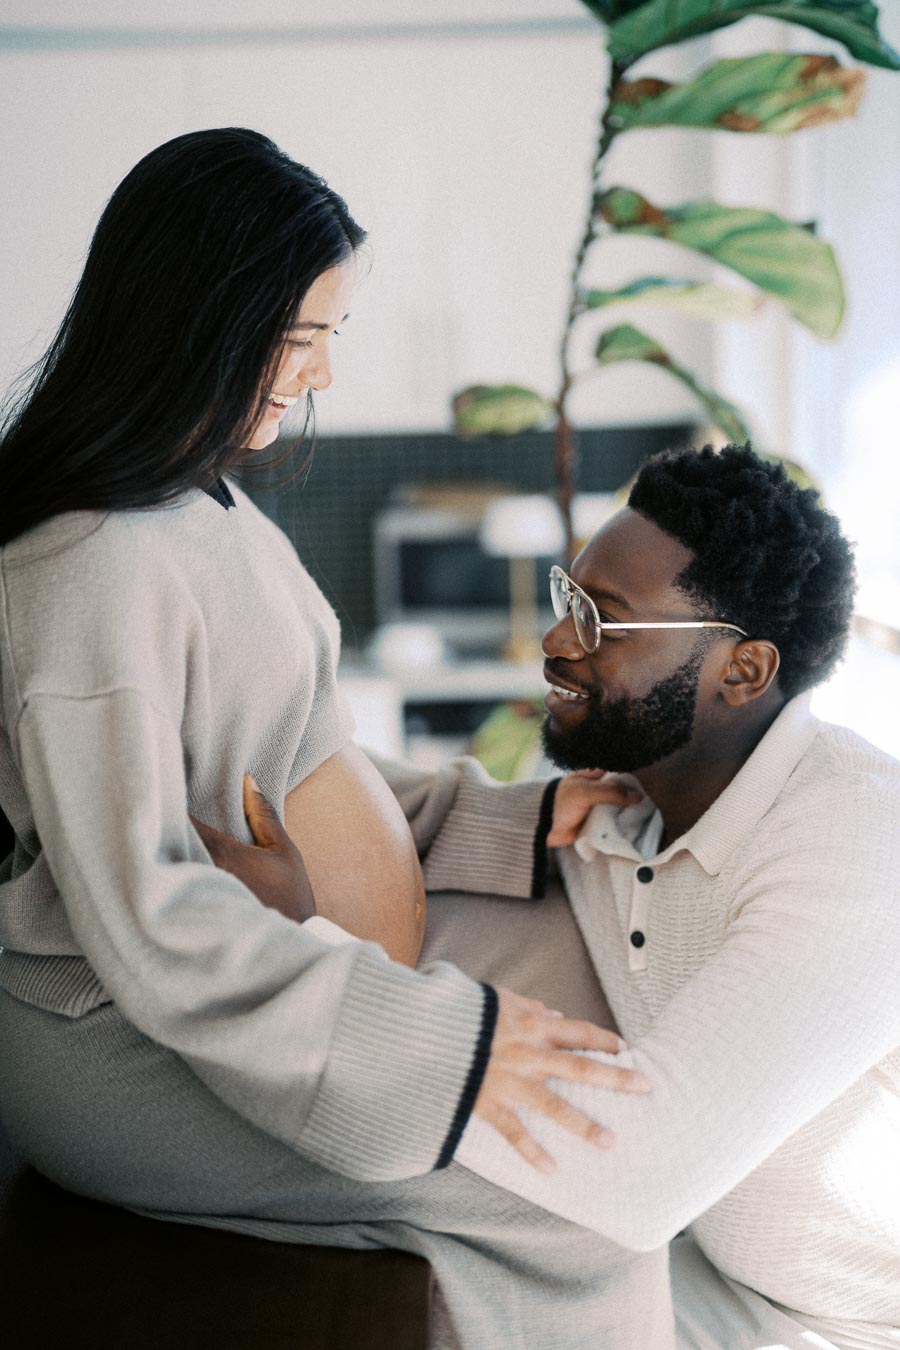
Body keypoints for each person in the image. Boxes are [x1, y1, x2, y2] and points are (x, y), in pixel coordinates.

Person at [0, 128, 672, 1350]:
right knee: (583, 1201)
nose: (318, 374)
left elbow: (298, 765)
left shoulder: (202, 503)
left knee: (611, 1132)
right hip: (120, 1049)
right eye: (299, 336)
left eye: (331, 335)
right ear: (198, 323)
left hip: (262, 988)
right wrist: (444, 1053)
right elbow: (145, 914)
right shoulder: (87, 568)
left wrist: (503, 819)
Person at [203, 443, 900, 1349]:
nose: (558, 640)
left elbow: (642, 1166)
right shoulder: (626, 811)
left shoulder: (859, 846)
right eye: (569, 596)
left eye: (604, 621)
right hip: (717, 1282)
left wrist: (307, 950)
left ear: (743, 672)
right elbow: (366, 794)